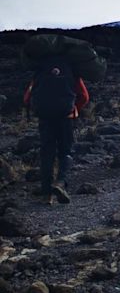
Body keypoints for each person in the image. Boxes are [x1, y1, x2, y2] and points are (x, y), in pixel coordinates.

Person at [23, 56, 90, 204]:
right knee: (65, 152)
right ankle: (60, 182)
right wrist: (74, 109)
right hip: (66, 117)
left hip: (45, 118)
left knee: (47, 154)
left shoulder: (40, 72)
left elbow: (27, 98)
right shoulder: (71, 72)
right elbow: (84, 96)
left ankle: (47, 195)